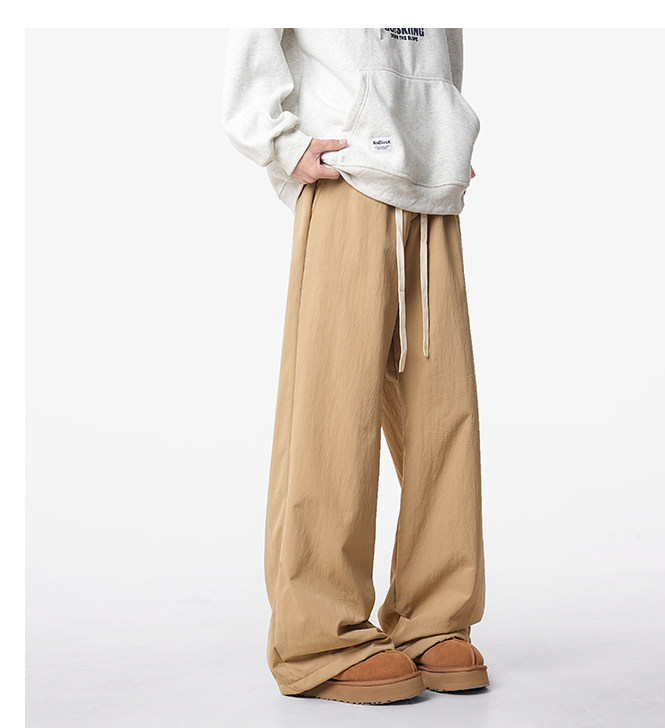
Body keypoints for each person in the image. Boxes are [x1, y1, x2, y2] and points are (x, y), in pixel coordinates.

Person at [222, 27, 488, 704]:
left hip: (428, 183)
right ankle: (320, 635)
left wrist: (444, 137)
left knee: (444, 413)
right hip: (348, 174)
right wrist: (279, 141)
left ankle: (433, 619)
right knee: (333, 412)